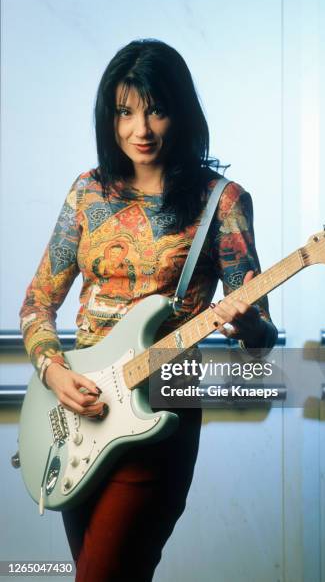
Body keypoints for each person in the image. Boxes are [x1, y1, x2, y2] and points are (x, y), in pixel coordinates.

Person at [19, 39, 278, 582]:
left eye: (156, 109)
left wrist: (249, 325)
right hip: (81, 411)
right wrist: (54, 369)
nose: (141, 129)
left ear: (180, 112)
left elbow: (260, 339)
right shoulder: (87, 194)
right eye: (125, 111)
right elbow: (39, 302)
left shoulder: (221, 203)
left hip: (162, 407)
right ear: (109, 118)